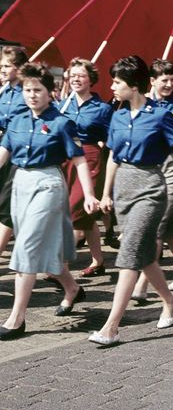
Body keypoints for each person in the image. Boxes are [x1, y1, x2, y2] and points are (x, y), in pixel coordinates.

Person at [89, 56, 173, 346]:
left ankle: (111, 326)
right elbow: (113, 157)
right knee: (144, 255)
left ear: (134, 86)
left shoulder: (160, 116)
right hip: (124, 188)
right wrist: (106, 192)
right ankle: (170, 301)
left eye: (117, 82)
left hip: (151, 188)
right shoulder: (118, 116)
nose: (112, 87)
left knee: (130, 255)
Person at [0, 62, 97, 340]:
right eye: (27, 90)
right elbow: (3, 154)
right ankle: (72, 288)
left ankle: (17, 319)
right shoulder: (16, 121)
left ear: (50, 91)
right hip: (20, 184)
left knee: (27, 247)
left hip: (48, 185)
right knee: (45, 253)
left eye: (38, 90)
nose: (32, 95)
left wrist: (89, 193)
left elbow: (79, 161)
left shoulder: (62, 122)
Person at [130, 60, 173, 301]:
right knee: (168, 227)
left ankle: (141, 283)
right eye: (164, 80)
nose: (169, 84)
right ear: (152, 81)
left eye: (172, 80)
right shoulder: (142, 101)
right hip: (149, 168)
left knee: (157, 225)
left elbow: (164, 128)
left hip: (172, 166)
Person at [59, 58, 113, 278]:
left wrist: (102, 144)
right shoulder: (63, 104)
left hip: (90, 158)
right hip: (64, 158)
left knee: (75, 210)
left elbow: (112, 137)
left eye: (81, 75)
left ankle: (58, 264)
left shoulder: (103, 108)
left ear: (91, 79)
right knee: (86, 216)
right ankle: (98, 260)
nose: (76, 80)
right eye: (72, 76)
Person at [0, 46, 29, 259]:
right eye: (1, 65)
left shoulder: (27, 93)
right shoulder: (3, 92)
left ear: (18, 69)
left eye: (6, 66)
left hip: (16, 151)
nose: (1, 69)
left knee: (6, 202)